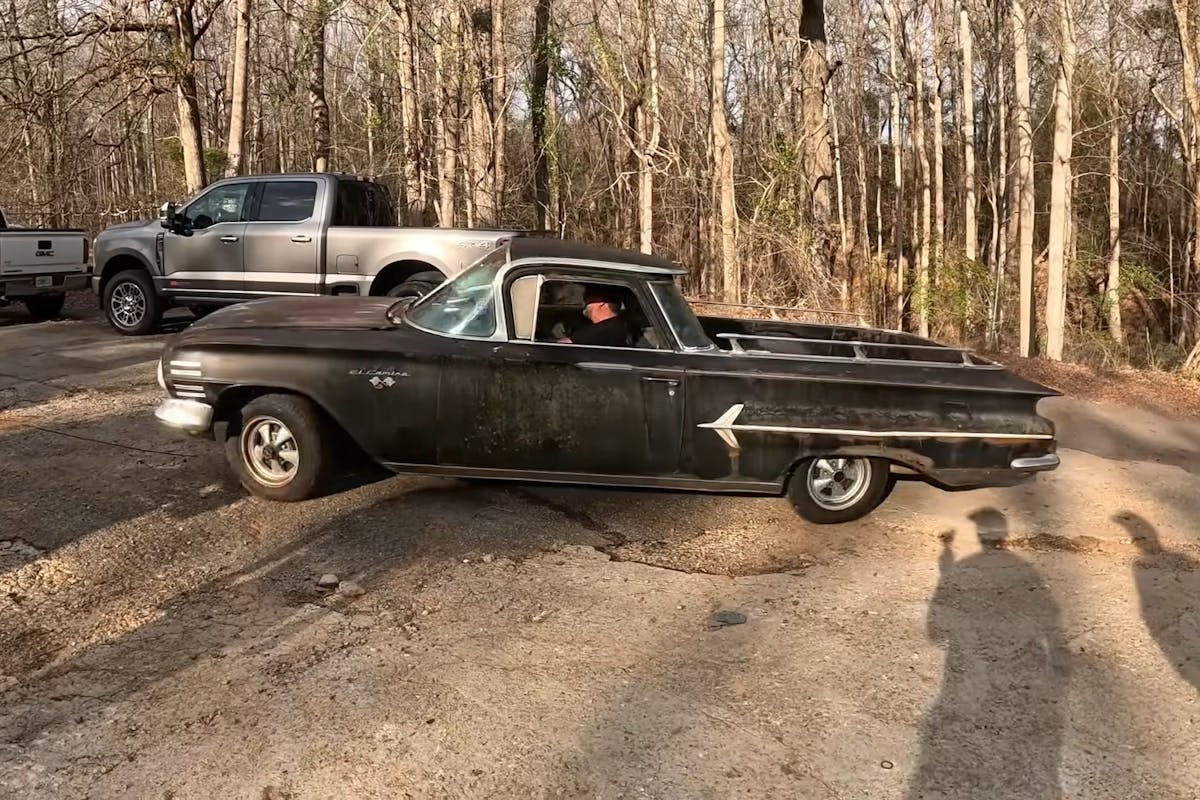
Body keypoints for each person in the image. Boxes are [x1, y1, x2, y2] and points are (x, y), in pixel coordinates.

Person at [559, 284, 630, 347]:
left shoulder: (603, 330)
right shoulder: (621, 325)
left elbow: (563, 345)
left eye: (588, 302)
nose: (585, 305)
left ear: (602, 305)